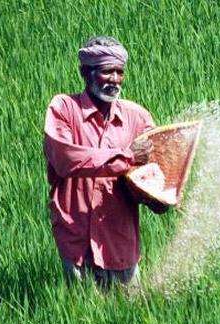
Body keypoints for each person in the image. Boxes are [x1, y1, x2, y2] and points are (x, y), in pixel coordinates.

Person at [43, 36, 165, 292]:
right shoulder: (64, 109)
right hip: (78, 242)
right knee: (82, 321)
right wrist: (126, 156)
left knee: (131, 321)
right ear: (85, 72)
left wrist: (160, 196)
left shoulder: (137, 117)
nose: (115, 79)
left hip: (120, 243)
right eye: (107, 71)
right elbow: (67, 160)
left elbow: (154, 171)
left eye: (120, 72)